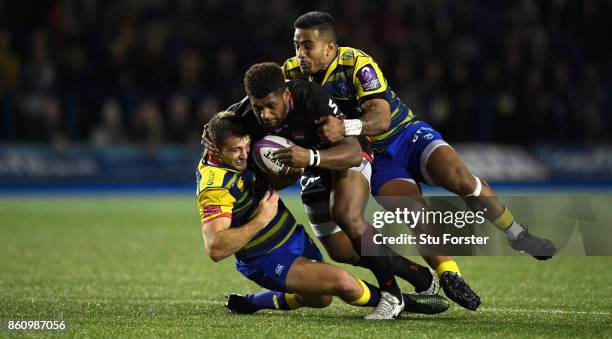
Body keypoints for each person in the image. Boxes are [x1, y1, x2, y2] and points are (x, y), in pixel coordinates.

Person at [282, 11, 554, 310]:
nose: (300, 53)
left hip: (405, 134)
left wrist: (345, 127)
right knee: (411, 208)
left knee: (462, 180)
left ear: (330, 48)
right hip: (375, 155)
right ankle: (448, 274)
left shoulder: (357, 63)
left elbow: (382, 118)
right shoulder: (291, 73)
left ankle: (517, 234)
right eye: (297, 45)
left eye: (307, 45)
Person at [197, 111, 449, 319]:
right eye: (235, 150)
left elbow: (233, 122)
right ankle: (404, 302)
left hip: (293, 238)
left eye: (245, 146)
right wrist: (261, 219)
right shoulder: (215, 186)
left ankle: (250, 302)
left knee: (320, 297)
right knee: (342, 282)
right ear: (216, 151)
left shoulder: (235, 147)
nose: (244, 154)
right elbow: (216, 248)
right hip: (264, 258)